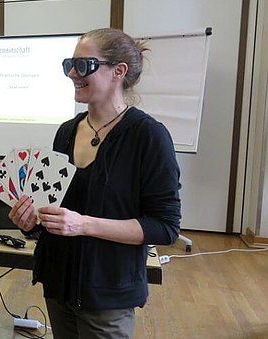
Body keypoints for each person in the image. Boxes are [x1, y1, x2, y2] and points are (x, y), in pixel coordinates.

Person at [9, 28, 181, 338]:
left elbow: (165, 227)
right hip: (58, 286)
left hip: (108, 295)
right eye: (68, 65)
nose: (73, 73)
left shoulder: (149, 137)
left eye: (84, 65)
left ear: (119, 71)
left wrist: (84, 225)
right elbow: (56, 211)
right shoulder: (65, 132)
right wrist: (30, 223)